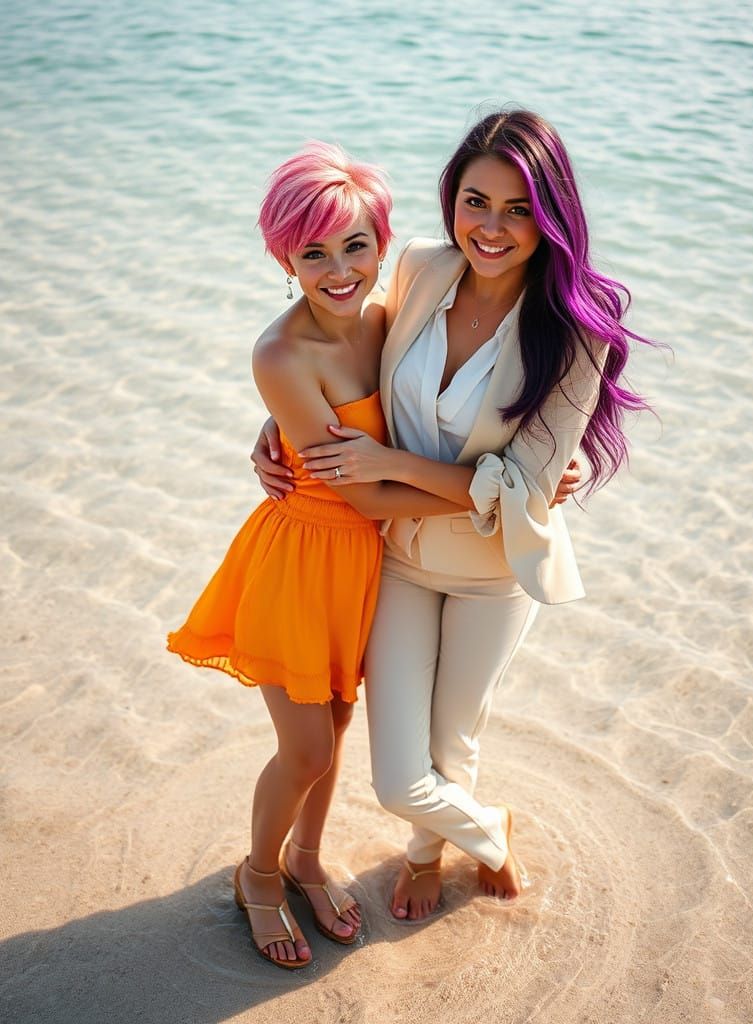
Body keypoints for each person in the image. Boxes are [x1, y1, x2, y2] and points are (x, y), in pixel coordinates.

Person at [168, 140, 576, 970]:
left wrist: (518, 478)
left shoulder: (390, 312)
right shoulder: (287, 350)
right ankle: (258, 877)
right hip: (311, 553)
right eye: (312, 252)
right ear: (282, 255)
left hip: (368, 559)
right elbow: (365, 487)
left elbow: (385, 409)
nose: (339, 267)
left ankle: (309, 860)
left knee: (343, 719)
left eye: (355, 245)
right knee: (310, 748)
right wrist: (505, 489)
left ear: (382, 243)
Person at [252, 110, 651, 923]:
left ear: (552, 215)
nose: (491, 227)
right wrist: (280, 426)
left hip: (493, 572)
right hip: (396, 558)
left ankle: (429, 853)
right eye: (476, 201)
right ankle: (491, 836)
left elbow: (528, 490)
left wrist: (404, 465)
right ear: (451, 201)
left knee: (452, 744)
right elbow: (349, 360)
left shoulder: (577, 330)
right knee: (398, 775)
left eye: (517, 208)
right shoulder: (420, 270)